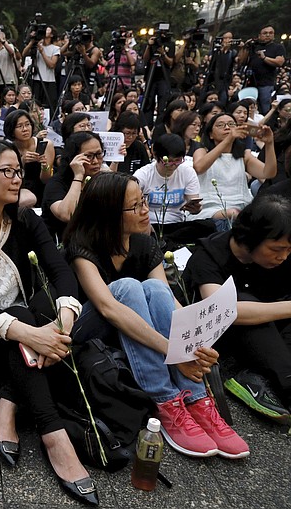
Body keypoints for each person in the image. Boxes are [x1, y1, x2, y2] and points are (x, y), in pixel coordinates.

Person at [0, 140, 98, 505]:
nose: (16, 179)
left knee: (38, 309)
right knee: (25, 315)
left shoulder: (25, 219)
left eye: (17, 171)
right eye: (6, 171)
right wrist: (33, 334)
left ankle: (6, 402)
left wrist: (63, 325)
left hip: (34, 334)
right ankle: (53, 434)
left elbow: (60, 270)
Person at [64, 171, 249, 459]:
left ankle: (196, 399)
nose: (145, 210)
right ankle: (164, 400)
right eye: (135, 206)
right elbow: (106, 307)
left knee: (155, 288)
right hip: (91, 333)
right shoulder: (82, 245)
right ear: (109, 213)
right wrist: (174, 352)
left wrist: (196, 346)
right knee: (126, 287)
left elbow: (168, 300)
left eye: (145, 201)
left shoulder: (143, 241)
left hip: (138, 332)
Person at [183, 195, 291, 422]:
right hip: (225, 340)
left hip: (276, 329)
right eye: (276, 249)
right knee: (242, 301)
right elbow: (222, 310)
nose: (283, 256)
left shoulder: (282, 254)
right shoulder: (209, 256)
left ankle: (256, 380)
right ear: (251, 238)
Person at [190, 113, 276, 229]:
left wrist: (269, 144)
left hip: (242, 206)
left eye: (231, 124)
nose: (227, 127)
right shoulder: (202, 151)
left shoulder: (244, 155)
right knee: (233, 214)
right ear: (210, 134)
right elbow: (199, 168)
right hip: (210, 207)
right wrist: (229, 139)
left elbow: (269, 173)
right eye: (220, 125)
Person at [134, 133, 214, 249]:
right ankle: (164, 243)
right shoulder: (143, 175)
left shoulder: (187, 172)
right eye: (169, 161)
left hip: (176, 225)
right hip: (150, 225)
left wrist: (196, 208)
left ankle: (165, 243)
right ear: (156, 156)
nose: (173, 165)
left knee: (209, 226)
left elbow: (193, 201)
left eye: (178, 161)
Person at [41, 131, 107, 240]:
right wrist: (78, 176)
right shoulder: (56, 183)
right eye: (89, 156)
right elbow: (67, 215)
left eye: (99, 154)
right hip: (62, 242)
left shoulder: (101, 179)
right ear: (74, 158)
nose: (95, 161)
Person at [4, 109, 55, 205]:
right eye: (19, 126)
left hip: (41, 190)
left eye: (27, 124)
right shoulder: (8, 149)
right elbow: (7, 177)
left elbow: (46, 180)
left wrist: (44, 166)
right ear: (11, 130)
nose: (25, 129)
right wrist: (21, 162)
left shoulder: (46, 144)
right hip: (18, 190)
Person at [237, 25, 286, 114]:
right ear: (259, 35)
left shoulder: (278, 47)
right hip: (250, 82)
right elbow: (241, 61)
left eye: (270, 33)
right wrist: (244, 48)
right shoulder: (254, 46)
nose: (268, 35)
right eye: (265, 33)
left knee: (265, 108)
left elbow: (279, 62)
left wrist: (264, 58)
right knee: (248, 107)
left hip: (266, 83)